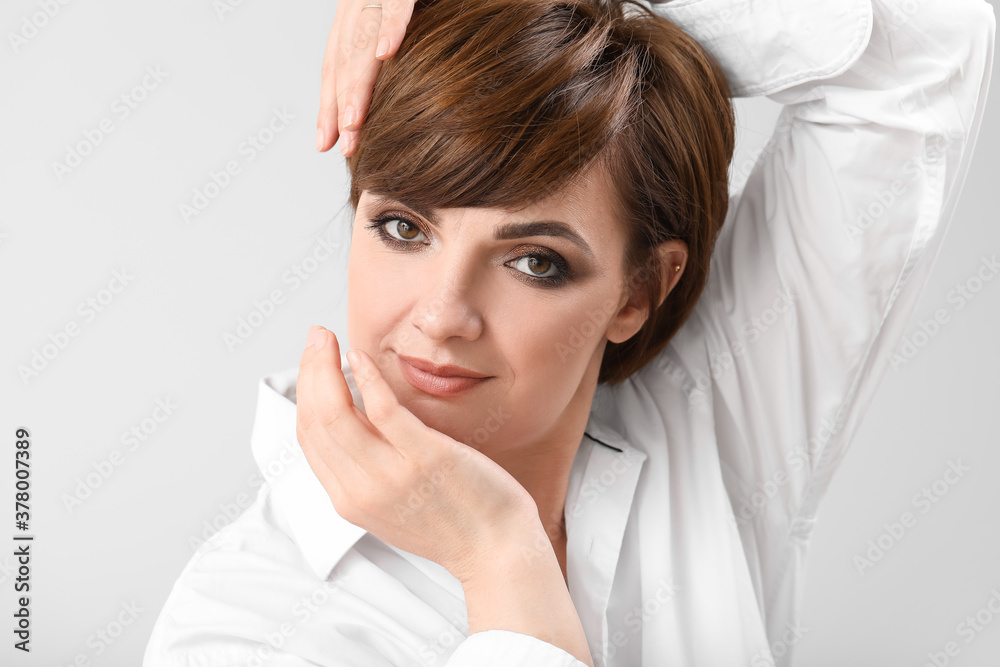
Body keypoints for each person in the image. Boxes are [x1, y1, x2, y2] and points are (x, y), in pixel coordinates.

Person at [143, 0, 996, 665]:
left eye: (536, 261)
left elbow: (923, 50)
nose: (442, 315)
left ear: (640, 290)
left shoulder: (705, 423)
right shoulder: (244, 625)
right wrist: (499, 557)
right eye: (404, 227)